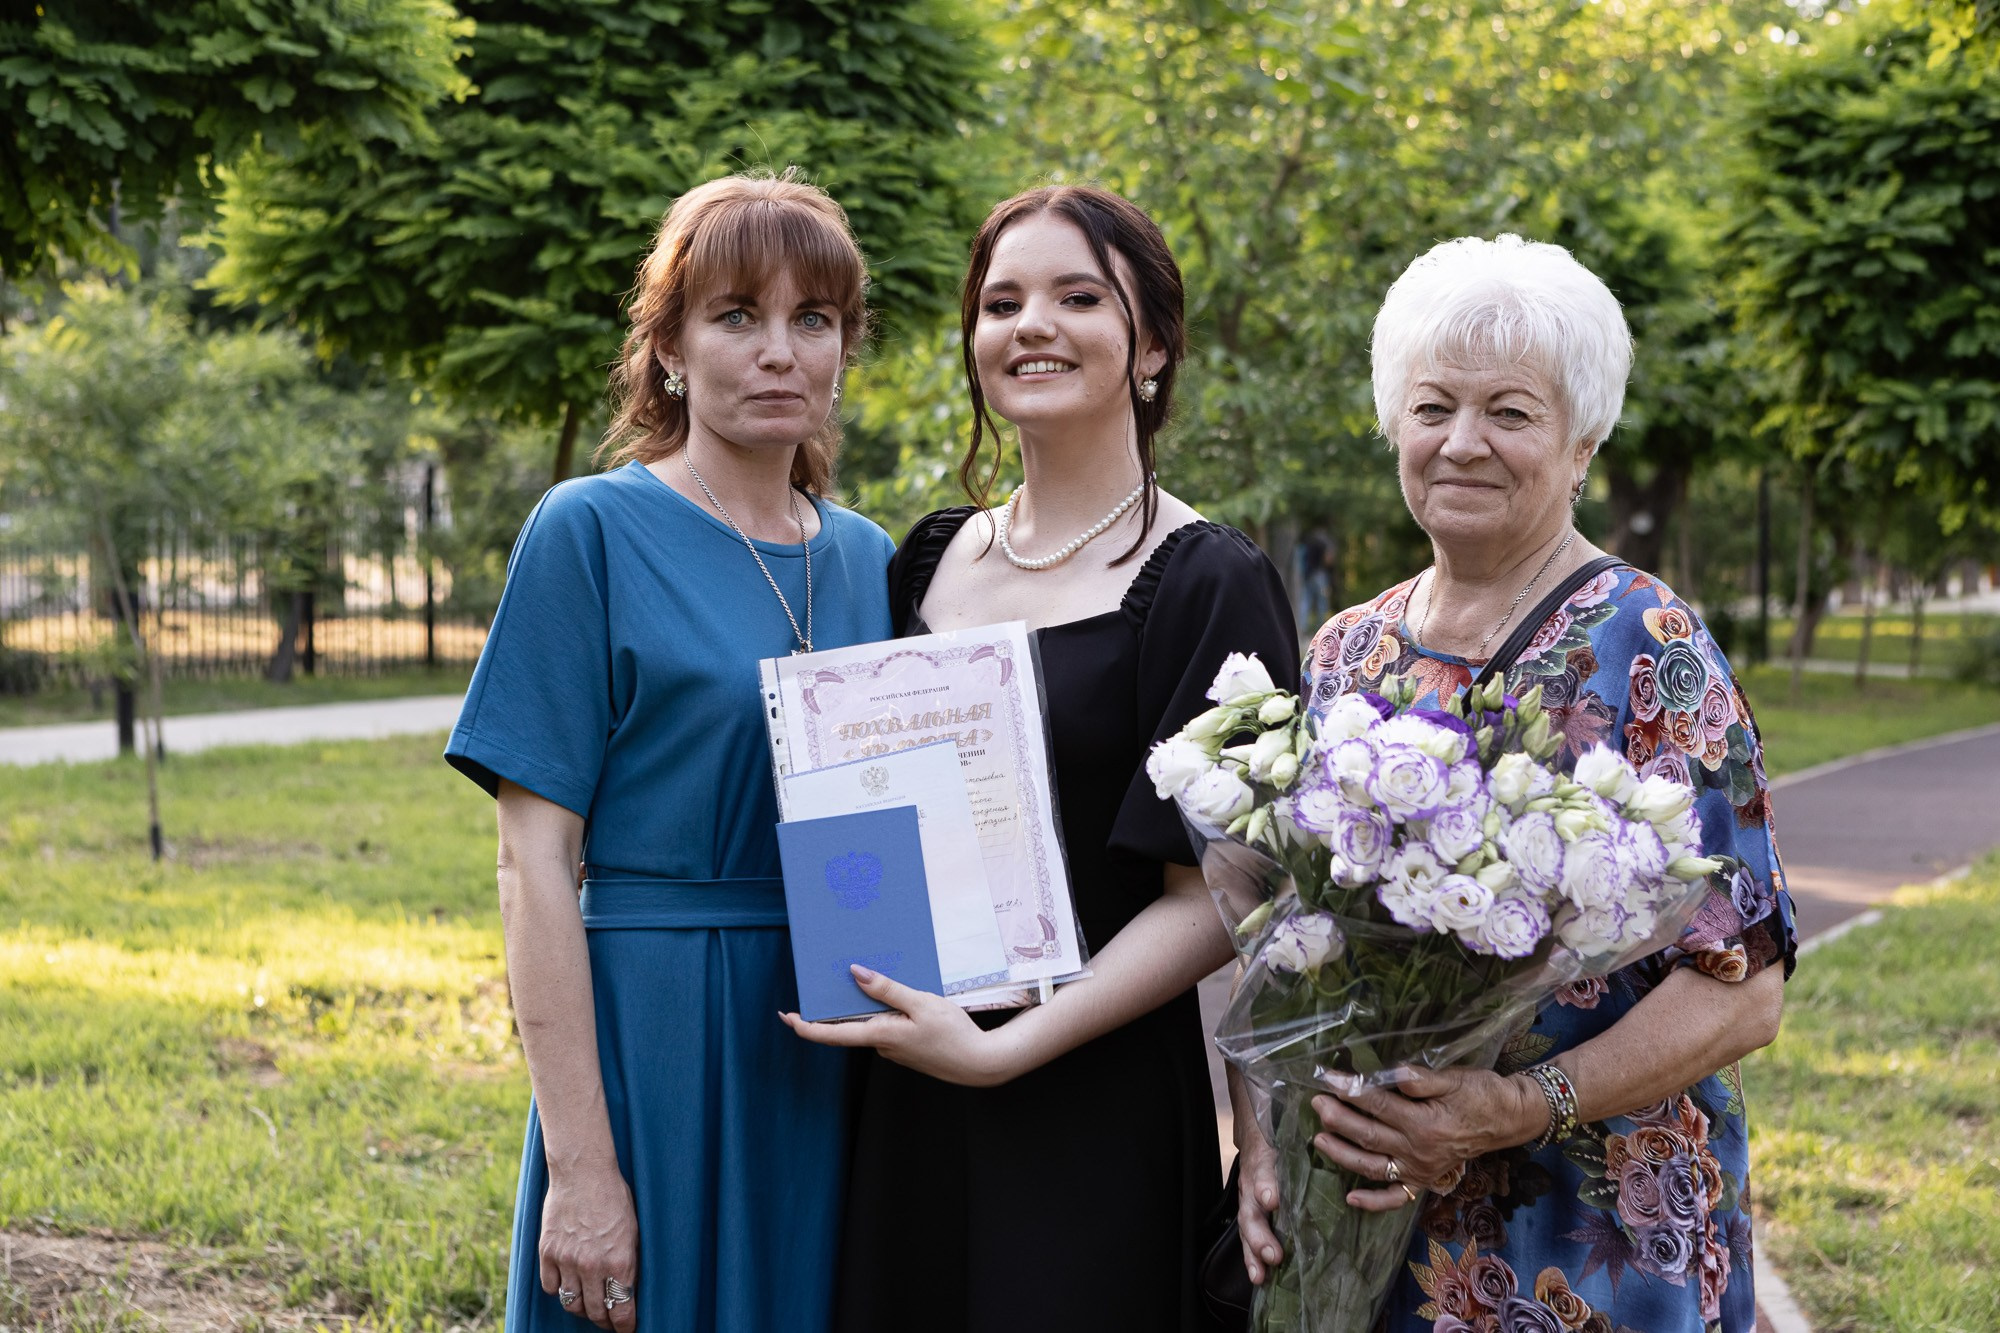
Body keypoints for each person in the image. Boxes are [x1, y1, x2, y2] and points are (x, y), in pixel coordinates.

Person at [1232, 234, 1794, 1332]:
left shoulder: (1648, 643)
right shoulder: (1347, 651)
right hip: (1368, 1217)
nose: (1461, 443)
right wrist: (1264, 1135)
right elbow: (1286, 940)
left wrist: (1513, 1106)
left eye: (1510, 412)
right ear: (1394, 421)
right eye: (1432, 406)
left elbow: (1740, 983)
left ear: (1580, 440)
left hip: (1586, 1234)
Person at [782, 185, 1298, 1332]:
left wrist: (1002, 1052)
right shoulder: (916, 564)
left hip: (1094, 1100)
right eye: (1000, 301)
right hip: (907, 1083)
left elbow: (1225, 898)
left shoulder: (1217, 580)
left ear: (1151, 345)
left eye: (1077, 297)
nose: (1031, 325)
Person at [444, 171, 895, 1333]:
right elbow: (532, 865)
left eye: (813, 320)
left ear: (846, 346)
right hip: (649, 1032)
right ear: (672, 351)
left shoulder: (872, 562)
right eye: (737, 315)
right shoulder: (586, 530)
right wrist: (586, 1172)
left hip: (835, 1043)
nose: (779, 351)